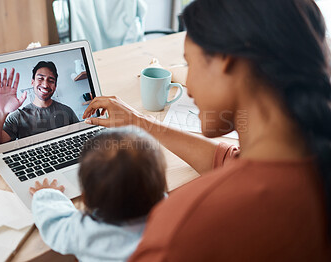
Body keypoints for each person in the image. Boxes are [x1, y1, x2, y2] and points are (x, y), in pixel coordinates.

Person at [82, 0, 331, 260]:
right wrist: (140, 122)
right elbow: (233, 162)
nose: (187, 85)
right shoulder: (309, 160)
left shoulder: (183, 228)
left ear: (226, 59)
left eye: (190, 64)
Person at [29, 128, 167, 261]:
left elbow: (54, 224)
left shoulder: (84, 233)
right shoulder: (171, 220)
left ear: (86, 199)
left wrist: (45, 194)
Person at [0, 61, 79, 144]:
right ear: (32, 82)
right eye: (40, 78)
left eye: (51, 81)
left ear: (55, 86)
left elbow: (80, 137)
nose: (45, 85)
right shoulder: (17, 117)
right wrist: (0, 112)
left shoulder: (67, 111)